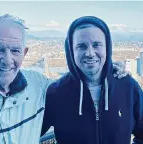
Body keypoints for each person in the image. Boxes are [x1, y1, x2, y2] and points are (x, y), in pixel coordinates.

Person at [0, 14, 127, 144]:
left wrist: (108, 69)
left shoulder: (40, 87)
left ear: (24, 53)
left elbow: (78, 87)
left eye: (15, 50)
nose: (7, 60)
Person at [41, 16, 143, 144]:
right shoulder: (55, 93)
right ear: (71, 51)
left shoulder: (128, 88)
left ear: (107, 48)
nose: (90, 53)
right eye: (81, 46)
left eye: (96, 45)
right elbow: (27, 133)